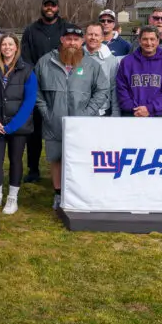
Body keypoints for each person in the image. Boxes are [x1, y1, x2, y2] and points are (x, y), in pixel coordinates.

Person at [35, 25, 111, 210]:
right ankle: (58, 194)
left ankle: (79, 194)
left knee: (81, 158)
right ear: (62, 40)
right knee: (56, 159)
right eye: (68, 39)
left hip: (82, 124)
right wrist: (47, 113)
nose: (72, 43)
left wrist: (87, 114)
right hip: (55, 123)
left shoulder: (91, 65)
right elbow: (35, 92)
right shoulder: (46, 62)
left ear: (82, 41)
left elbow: (102, 90)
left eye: (76, 40)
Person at [0, 34, 38, 215]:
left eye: (10, 44)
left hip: (17, 126)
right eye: (4, 44)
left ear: (16, 47)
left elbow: (29, 102)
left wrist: (12, 126)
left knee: (15, 161)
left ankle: (12, 197)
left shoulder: (27, 70)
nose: (7, 47)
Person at [20, 0, 70, 183]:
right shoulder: (31, 30)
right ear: (42, 7)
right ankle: (33, 169)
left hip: (61, 87)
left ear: (58, 7)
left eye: (53, 5)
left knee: (62, 130)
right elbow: (25, 58)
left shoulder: (66, 28)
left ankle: (65, 170)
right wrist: (35, 81)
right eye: (47, 5)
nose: (50, 8)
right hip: (37, 86)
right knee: (34, 131)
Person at [115, 26, 162, 118]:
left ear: (158, 41)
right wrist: (136, 109)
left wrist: (149, 109)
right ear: (139, 41)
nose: (149, 43)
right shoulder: (127, 62)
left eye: (152, 39)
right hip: (132, 114)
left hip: (158, 115)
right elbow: (122, 89)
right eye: (145, 39)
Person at [83, 21, 119, 116]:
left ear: (102, 37)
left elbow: (114, 87)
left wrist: (115, 113)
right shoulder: (76, 57)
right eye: (90, 34)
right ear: (84, 36)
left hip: (102, 112)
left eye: (96, 35)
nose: (93, 37)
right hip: (79, 111)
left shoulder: (111, 60)